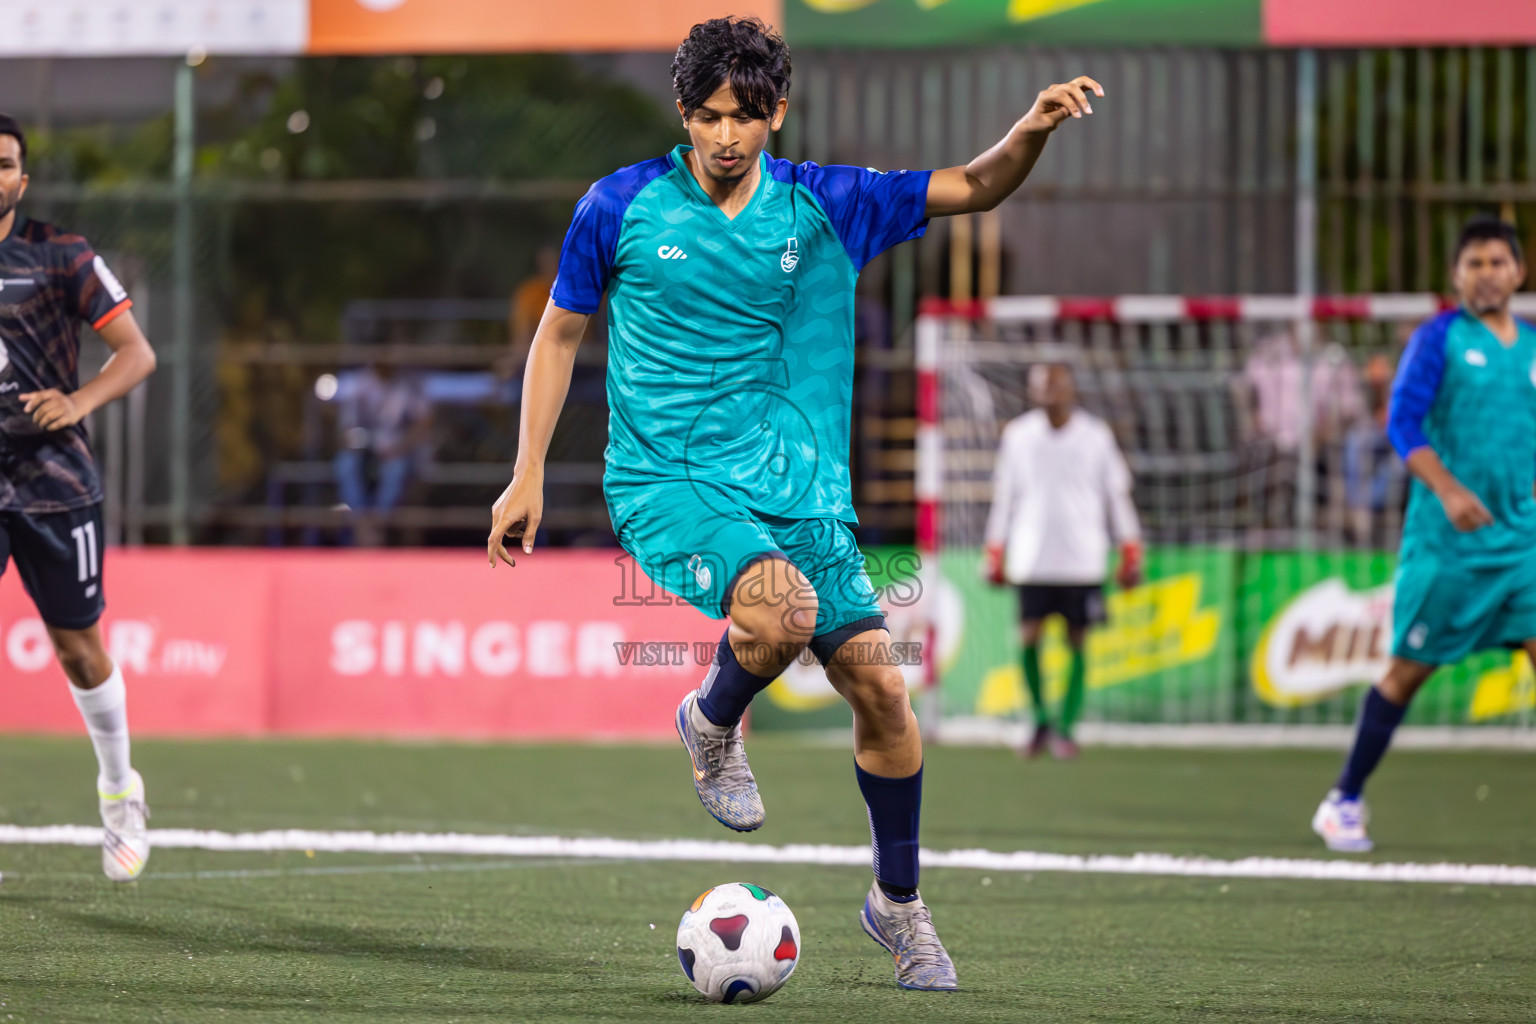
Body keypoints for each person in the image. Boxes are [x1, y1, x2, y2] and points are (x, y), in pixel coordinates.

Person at [487, 16, 1102, 991]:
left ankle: (897, 905)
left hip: (805, 500)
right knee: (778, 614)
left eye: (746, 115)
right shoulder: (620, 205)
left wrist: (1030, 128)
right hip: (669, 481)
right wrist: (527, 470)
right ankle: (714, 718)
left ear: (778, 112)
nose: (725, 136)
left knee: (883, 694)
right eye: (706, 115)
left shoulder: (827, 202)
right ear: (683, 113)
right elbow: (560, 333)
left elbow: (976, 185)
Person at [1313, 217, 1536, 853]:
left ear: (1519, 273)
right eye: (1475, 263)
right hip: (1448, 545)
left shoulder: (1532, 347)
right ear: (1455, 275)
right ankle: (1344, 799)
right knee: (1408, 673)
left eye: (1499, 262)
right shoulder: (1438, 340)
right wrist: (1450, 489)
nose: (1487, 273)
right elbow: (1404, 425)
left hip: (1521, 544)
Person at [0, 115, 158, 880]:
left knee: (78, 648)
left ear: (20, 180)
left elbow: (138, 354)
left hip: (54, 483)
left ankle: (120, 791)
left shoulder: (62, 254)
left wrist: (78, 400)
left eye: (3, 165)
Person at [983, 364, 1142, 759]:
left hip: (1082, 559)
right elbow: (1005, 497)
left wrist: (1130, 548)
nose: (1050, 391)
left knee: (1077, 640)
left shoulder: (1096, 436)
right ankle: (1039, 720)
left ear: (1071, 387)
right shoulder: (1019, 435)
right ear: (1033, 391)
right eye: (1042, 385)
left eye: (1057, 383)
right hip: (1031, 558)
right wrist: (995, 549)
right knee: (1028, 637)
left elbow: (1116, 495)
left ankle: (1066, 728)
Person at [332, 360, 432, 545]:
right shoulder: (359, 382)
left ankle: (377, 525)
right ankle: (362, 523)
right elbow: (346, 429)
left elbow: (423, 424)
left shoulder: (409, 382)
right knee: (345, 464)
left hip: (400, 451)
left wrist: (400, 447)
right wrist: (356, 442)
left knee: (396, 470)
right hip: (364, 451)